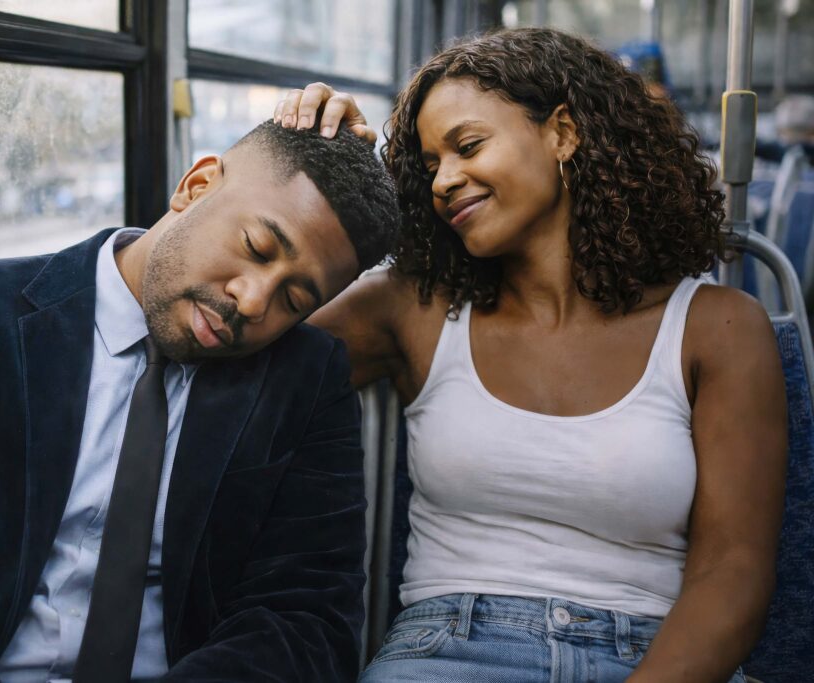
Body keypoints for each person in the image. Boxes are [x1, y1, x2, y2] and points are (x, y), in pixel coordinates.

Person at [0, 120, 400, 682]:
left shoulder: (305, 380)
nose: (253, 301)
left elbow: (307, 620)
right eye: (256, 248)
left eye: (295, 299)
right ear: (195, 185)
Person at [276, 27, 787, 683]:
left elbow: (734, 569)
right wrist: (323, 165)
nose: (444, 181)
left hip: (662, 654)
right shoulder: (415, 309)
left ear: (563, 133)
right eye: (430, 165)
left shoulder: (717, 327)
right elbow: (248, 358)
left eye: (467, 146)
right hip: (451, 649)